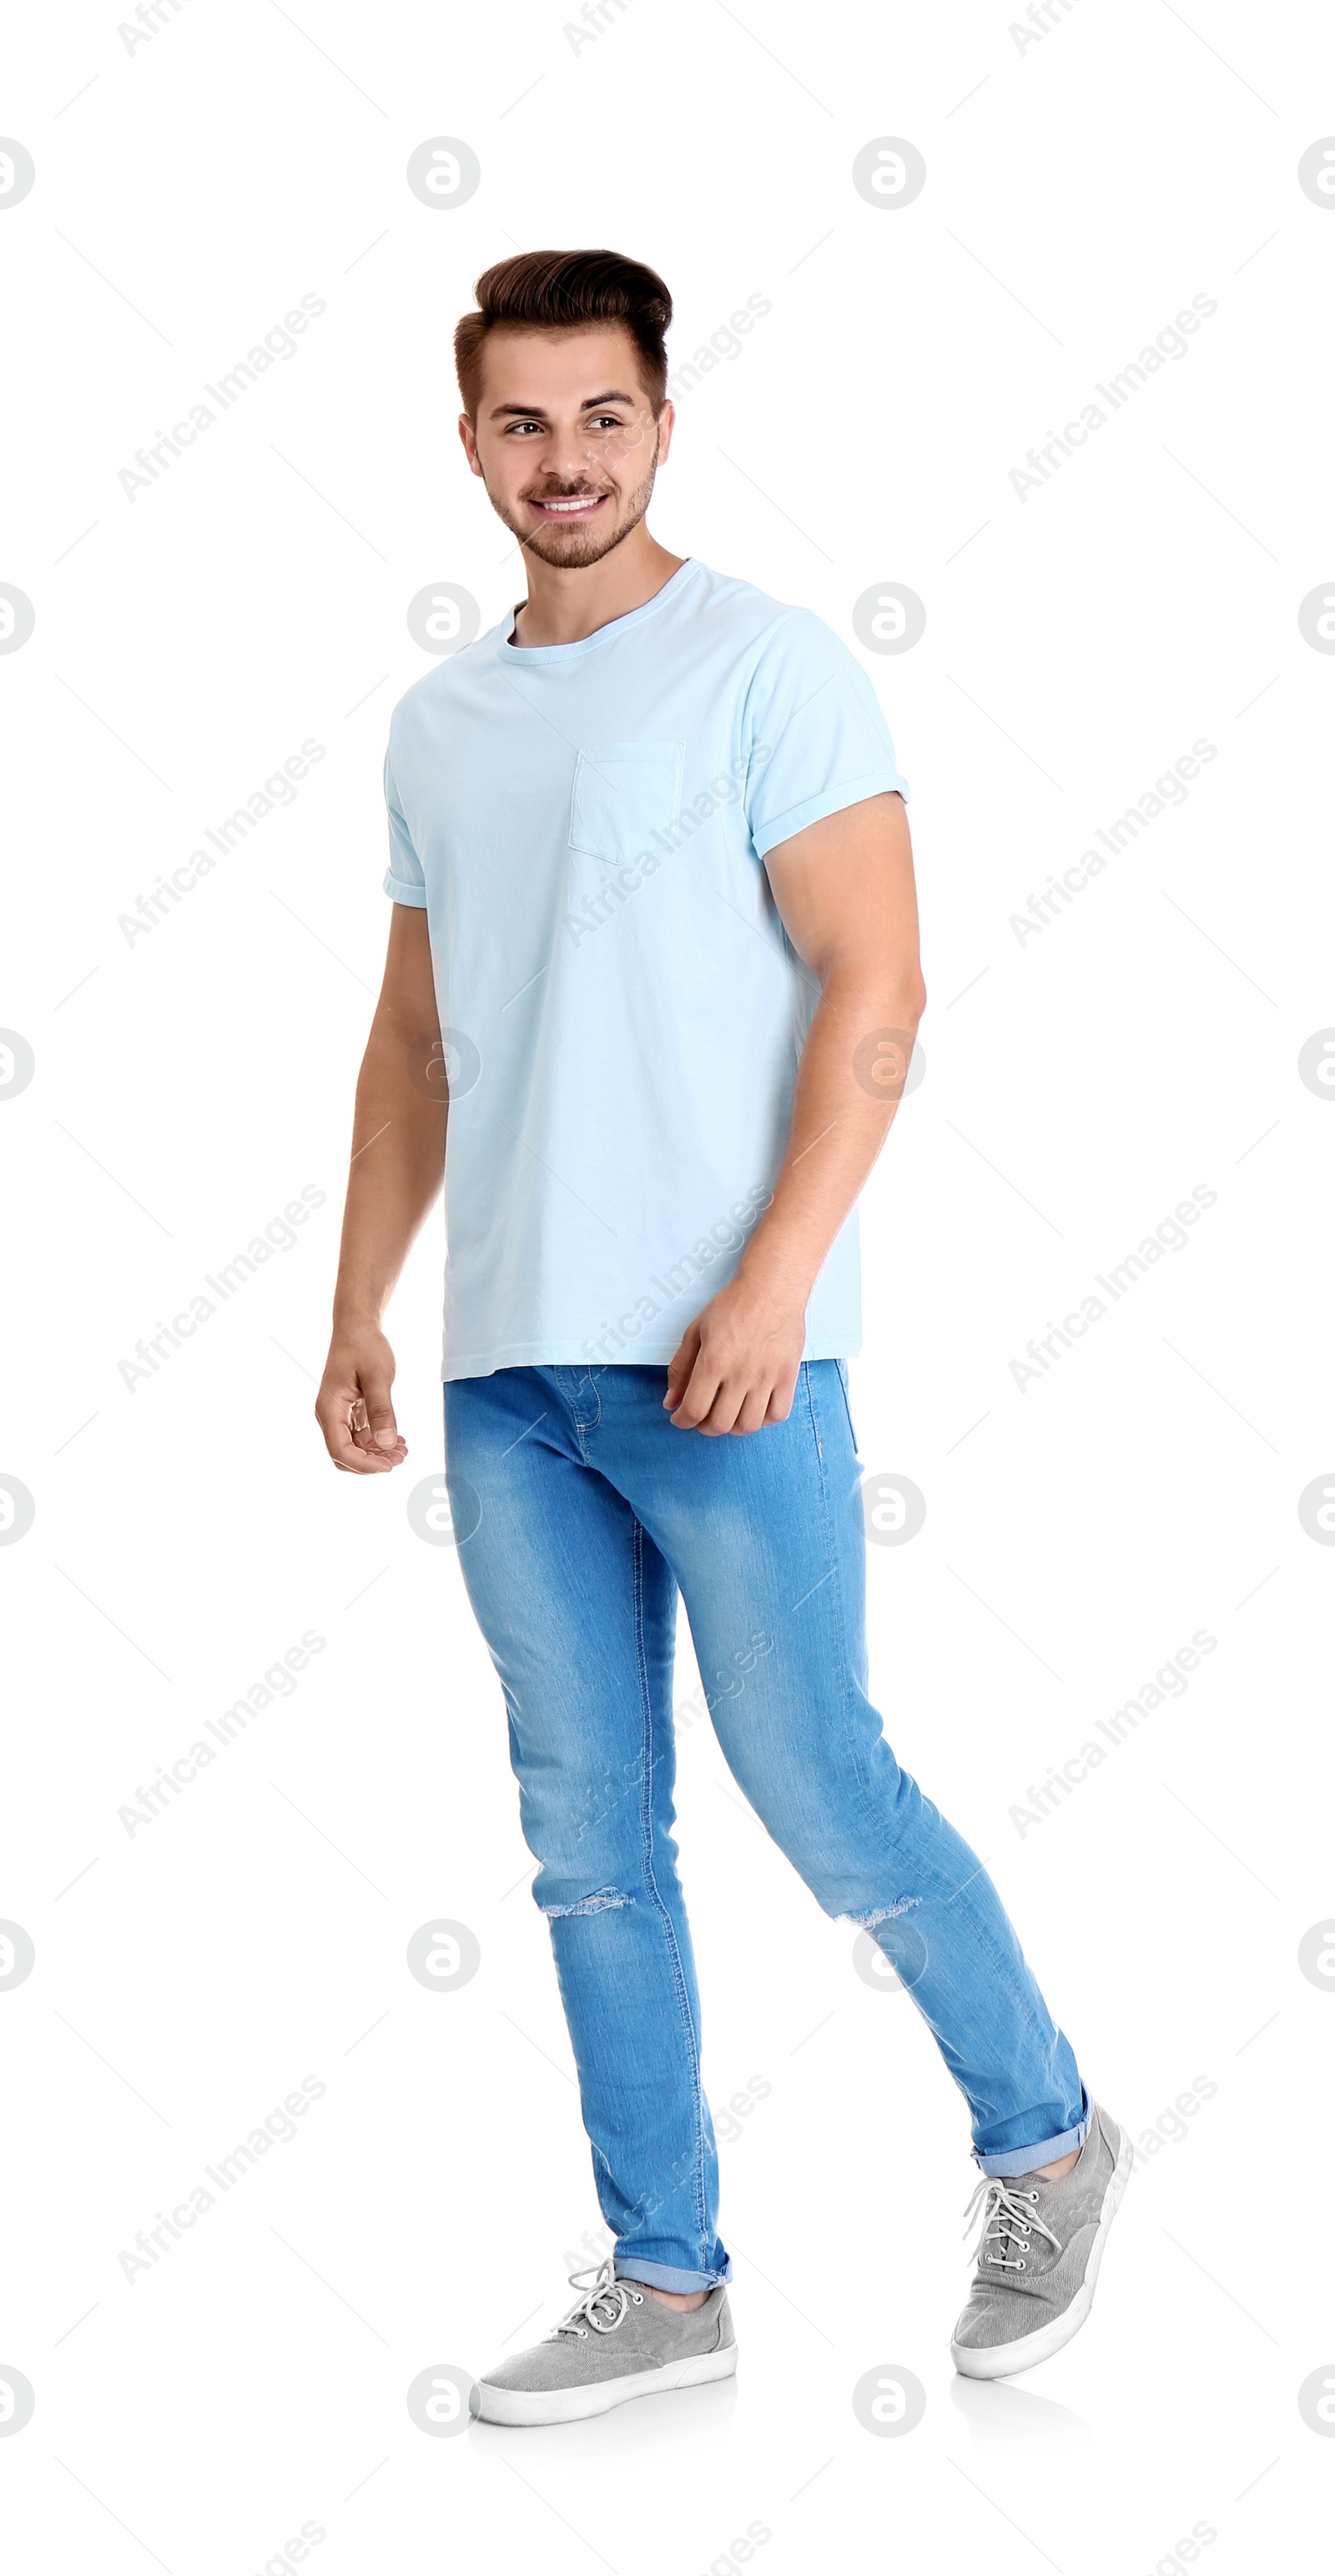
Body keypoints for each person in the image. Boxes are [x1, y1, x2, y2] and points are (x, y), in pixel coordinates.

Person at [315, 248, 1130, 2427]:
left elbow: (880, 990)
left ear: (663, 424)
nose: (564, 460)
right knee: (587, 1840)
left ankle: (1047, 2138)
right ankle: (669, 2287)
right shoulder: (441, 723)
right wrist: (360, 1310)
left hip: (727, 1363)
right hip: (511, 1386)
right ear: (469, 443)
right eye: (521, 423)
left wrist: (775, 1282)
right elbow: (416, 1040)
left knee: (822, 1784)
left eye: (603, 417)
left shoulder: (767, 669)